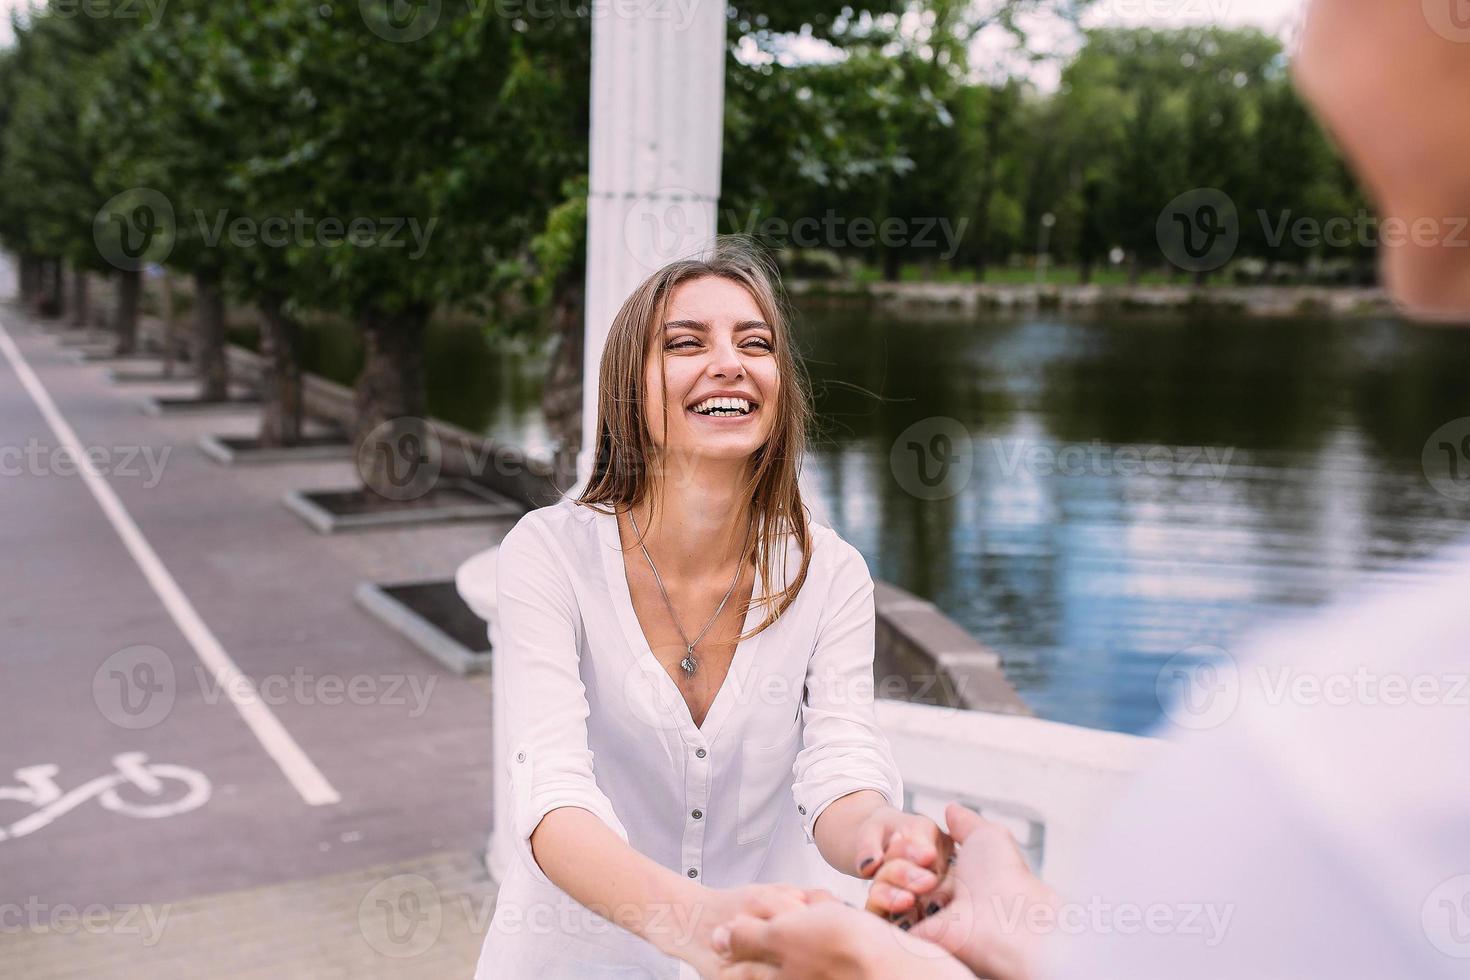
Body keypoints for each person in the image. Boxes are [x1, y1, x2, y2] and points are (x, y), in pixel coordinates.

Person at [712, 0, 1470, 976]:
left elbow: (835, 757)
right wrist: (1029, 926)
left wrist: (879, 964)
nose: (1310, 33)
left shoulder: (1321, 786)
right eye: (685, 343)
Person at [460, 239, 948, 979]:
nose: (731, 362)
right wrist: (692, 924)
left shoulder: (833, 574)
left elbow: (840, 765)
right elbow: (551, 792)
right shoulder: (548, 554)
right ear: (631, 388)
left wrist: (884, 835)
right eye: (686, 344)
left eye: (756, 344)